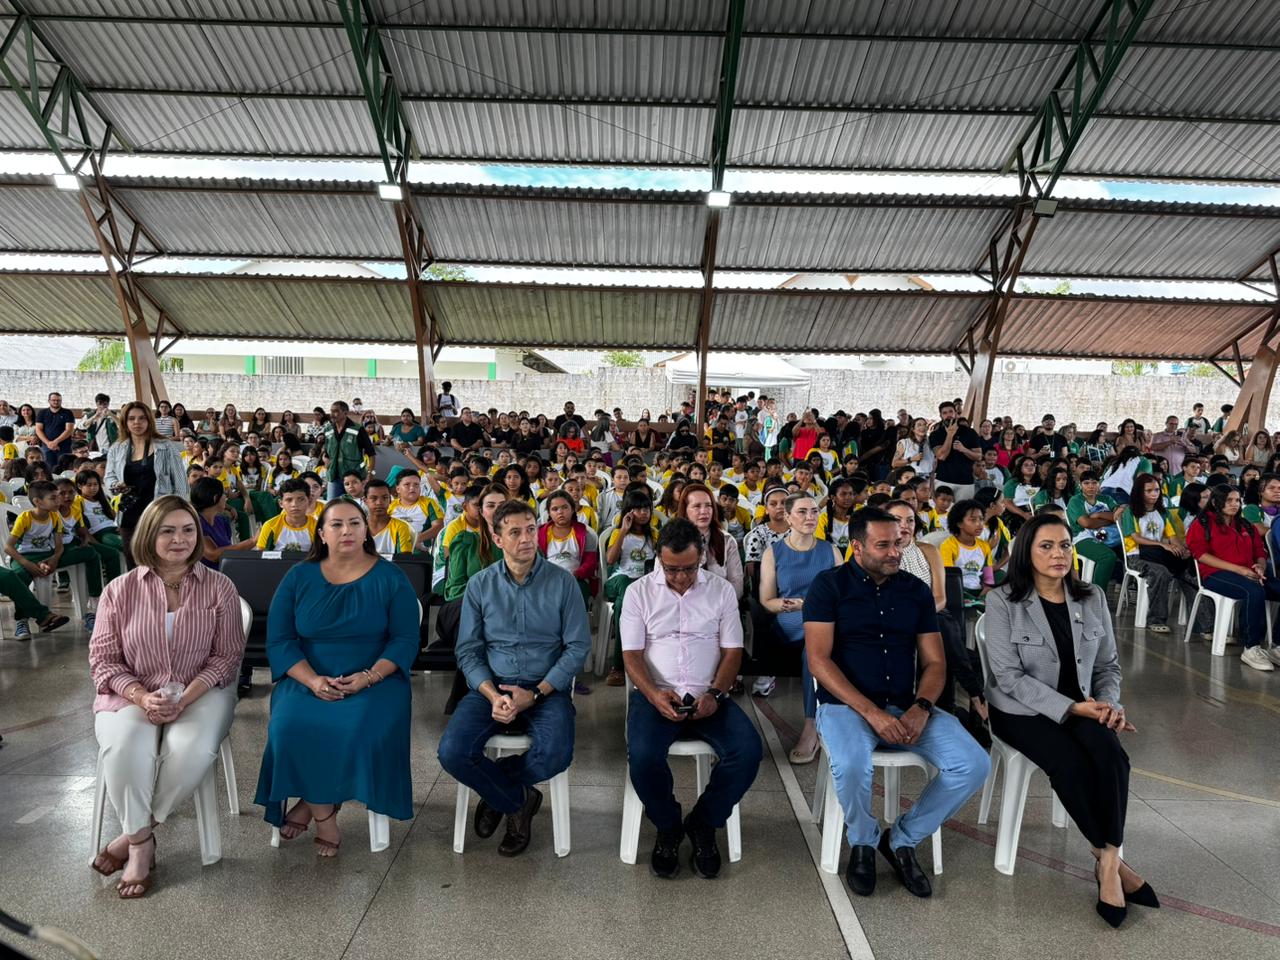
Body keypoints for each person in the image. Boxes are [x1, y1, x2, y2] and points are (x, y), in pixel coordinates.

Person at [804, 508, 990, 898]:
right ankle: (864, 840)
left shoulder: (915, 591)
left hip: (908, 704)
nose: (895, 553)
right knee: (853, 765)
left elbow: (936, 662)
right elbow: (818, 660)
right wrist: (870, 712)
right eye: (883, 545)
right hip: (847, 707)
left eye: (899, 544)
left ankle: (902, 838)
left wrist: (922, 707)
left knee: (973, 764)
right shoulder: (829, 586)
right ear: (857, 547)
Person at [983, 513, 1155, 927]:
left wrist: (1110, 706)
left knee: (1111, 755)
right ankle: (1110, 861)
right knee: (1071, 763)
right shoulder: (1003, 600)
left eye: (1065, 545)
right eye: (1047, 546)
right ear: (1027, 551)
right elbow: (1007, 678)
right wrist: (1076, 709)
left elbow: (1108, 666)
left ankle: (1108, 861)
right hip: (1021, 710)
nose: (1059, 554)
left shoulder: (1091, 596)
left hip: (1084, 704)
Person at [88, 496, 246, 897]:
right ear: (148, 535)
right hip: (131, 692)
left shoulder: (219, 586)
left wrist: (187, 696)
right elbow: (104, 662)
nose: (180, 539)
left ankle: (136, 835)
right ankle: (142, 845)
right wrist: (142, 697)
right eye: (168, 531)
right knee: (124, 747)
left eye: (188, 530)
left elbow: (227, 657)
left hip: (202, 689)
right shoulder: (119, 591)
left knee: (191, 748)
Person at [254, 499, 420, 855]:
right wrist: (313, 680)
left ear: (366, 530)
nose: (347, 531)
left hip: (376, 680)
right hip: (307, 677)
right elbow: (280, 639)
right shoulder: (299, 576)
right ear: (322, 533)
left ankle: (312, 801)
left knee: (359, 727)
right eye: (337, 525)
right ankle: (326, 815)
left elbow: (405, 639)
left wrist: (369, 676)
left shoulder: (391, 577)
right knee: (289, 727)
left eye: (355, 523)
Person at [437, 500, 591, 857]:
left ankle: (499, 792)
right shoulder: (480, 585)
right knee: (452, 752)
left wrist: (535, 693)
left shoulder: (562, 583)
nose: (526, 539)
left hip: (546, 689)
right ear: (497, 537)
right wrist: (493, 695)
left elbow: (577, 648)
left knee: (555, 754)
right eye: (515, 532)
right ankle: (518, 800)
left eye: (530, 529)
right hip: (493, 685)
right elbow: (469, 651)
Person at [620, 518, 762, 879]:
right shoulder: (639, 593)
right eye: (671, 569)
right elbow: (632, 655)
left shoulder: (721, 591)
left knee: (747, 752)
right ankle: (668, 825)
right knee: (644, 757)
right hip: (656, 693)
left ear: (701, 558)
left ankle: (703, 822)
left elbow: (732, 651)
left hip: (709, 694)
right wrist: (653, 694)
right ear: (659, 558)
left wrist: (715, 692)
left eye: (688, 569)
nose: (680, 578)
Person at [758, 493, 843, 763]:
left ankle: (819, 724)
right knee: (816, 638)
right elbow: (766, 600)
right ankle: (810, 726)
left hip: (821, 617)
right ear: (788, 516)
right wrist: (788, 605)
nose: (810, 517)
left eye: (814, 512)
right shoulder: (774, 553)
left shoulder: (830, 550)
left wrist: (811, 605)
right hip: (790, 618)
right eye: (803, 512)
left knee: (814, 647)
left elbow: (844, 594)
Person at [1185, 485, 1280, 672]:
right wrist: (1239, 570)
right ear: (1215, 502)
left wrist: (1259, 565)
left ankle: (1277, 645)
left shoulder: (1245, 525)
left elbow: (1259, 551)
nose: (1235, 504)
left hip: (1249, 572)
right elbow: (1201, 554)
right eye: (1229, 500)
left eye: (1237, 500)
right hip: (1215, 574)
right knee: (1253, 591)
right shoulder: (1203, 523)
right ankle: (1250, 647)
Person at [104, 402, 186, 564]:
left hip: (160, 514)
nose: (137, 423)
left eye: (142, 418)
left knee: (160, 562)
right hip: (129, 514)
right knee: (134, 564)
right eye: (131, 419)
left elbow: (181, 483)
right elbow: (108, 477)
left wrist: (179, 514)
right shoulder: (117, 448)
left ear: (149, 421)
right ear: (125, 422)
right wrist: (116, 485)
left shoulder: (165, 446)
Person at [1118, 473, 1194, 635]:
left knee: (1190, 571)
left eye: (1157, 490)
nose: (1154, 494)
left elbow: (1172, 537)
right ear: (1139, 492)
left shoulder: (1163, 512)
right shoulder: (1130, 512)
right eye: (1149, 491)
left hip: (1158, 554)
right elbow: (1136, 537)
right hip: (1136, 556)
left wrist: (1182, 549)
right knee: (1161, 573)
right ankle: (1156, 619)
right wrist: (1162, 544)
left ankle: (1201, 623)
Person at [1066, 471, 1121, 587]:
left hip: (1110, 536)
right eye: (1086, 483)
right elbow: (1086, 523)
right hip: (1082, 538)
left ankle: (1125, 583)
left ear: (1099, 483)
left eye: (1094, 483)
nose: (1091, 486)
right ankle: (1098, 596)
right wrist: (1110, 519)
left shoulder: (1106, 499)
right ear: (1080, 485)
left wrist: (1098, 515)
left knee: (1134, 552)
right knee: (1107, 556)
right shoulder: (1075, 501)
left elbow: (1120, 516)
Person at [190, 476, 256, 568]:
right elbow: (213, 554)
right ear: (215, 498)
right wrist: (253, 541)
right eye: (224, 494)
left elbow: (228, 550)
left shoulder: (221, 521)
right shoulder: (195, 524)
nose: (226, 497)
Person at [320, 401, 376, 500]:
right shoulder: (328, 429)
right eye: (331, 411)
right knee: (333, 507)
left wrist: (370, 474)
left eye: (336, 411)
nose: (332, 414)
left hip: (355, 477)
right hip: (334, 476)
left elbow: (371, 454)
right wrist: (326, 461)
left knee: (356, 506)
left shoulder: (358, 429)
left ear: (345, 412)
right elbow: (327, 451)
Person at [928, 400, 982, 501]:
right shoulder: (935, 434)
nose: (948, 415)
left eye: (951, 411)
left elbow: (978, 456)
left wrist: (964, 450)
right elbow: (941, 456)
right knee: (942, 513)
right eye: (945, 413)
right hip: (943, 480)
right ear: (940, 416)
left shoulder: (969, 432)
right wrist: (950, 435)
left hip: (966, 482)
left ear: (956, 413)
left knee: (963, 513)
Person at [254, 479, 316, 552]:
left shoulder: (317, 526)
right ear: (281, 503)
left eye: (301, 499)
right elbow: (260, 556)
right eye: (289, 500)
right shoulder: (270, 526)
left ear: (309, 500)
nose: (294, 504)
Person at [35, 391, 77, 469]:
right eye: (53, 400)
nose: (56, 402)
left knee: (64, 467)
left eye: (58, 400)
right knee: (48, 468)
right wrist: (48, 443)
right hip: (46, 446)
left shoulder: (67, 413)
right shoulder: (42, 413)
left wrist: (55, 442)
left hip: (64, 446)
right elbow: (38, 429)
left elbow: (69, 430)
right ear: (49, 401)